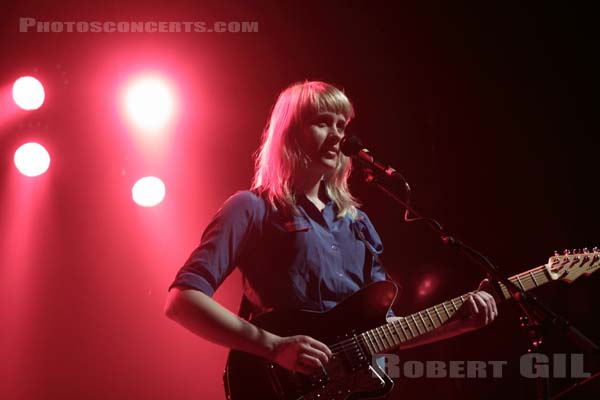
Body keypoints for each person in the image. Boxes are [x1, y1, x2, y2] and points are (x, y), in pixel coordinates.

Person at [164, 80, 498, 377]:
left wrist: (457, 323)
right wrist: (275, 347)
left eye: (342, 124)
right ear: (290, 133)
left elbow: (384, 331)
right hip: (275, 382)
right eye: (323, 123)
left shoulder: (358, 224)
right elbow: (182, 301)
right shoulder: (252, 208)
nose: (338, 135)